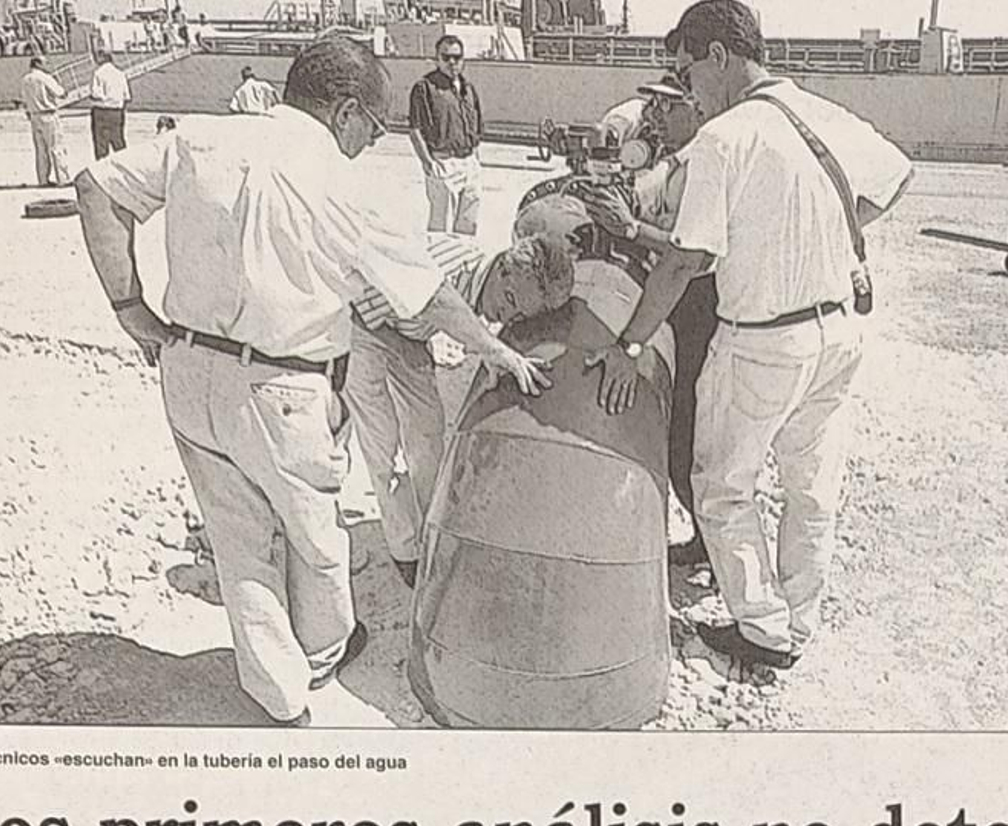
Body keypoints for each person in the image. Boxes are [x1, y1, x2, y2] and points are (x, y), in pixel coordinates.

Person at [72, 36, 552, 727]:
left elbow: (94, 189)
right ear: (347, 110)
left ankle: (277, 696)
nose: (375, 137)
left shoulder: (199, 138)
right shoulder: (343, 181)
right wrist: (496, 351)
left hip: (185, 371)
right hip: (282, 388)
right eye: (375, 124)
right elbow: (428, 296)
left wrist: (130, 309)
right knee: (314, 536)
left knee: (240, 544)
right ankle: (324, 655)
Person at [604, 0, 912, 670]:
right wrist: (833, 234)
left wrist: (629, 344)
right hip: (835, 335)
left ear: (718, 56)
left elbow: (687, 260)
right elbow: (896, 173)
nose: (685, 90)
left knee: (720, 485)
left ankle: (764, 630)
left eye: (686, 75)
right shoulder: (817, 111)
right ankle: (799, 621)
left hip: (765, 340)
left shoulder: (724, 137)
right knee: (810, 488)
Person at [348, 232, 575, 588]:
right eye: (510, 299)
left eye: (519, 312)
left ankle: (435, 533)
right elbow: (356, 311)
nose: (507, 314)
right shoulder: (447, 266)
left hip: (409, 337)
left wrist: (490, 357)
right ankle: (405, 550)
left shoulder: (499, 289)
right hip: (360, 331)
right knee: (383, 449)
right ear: (501, 268)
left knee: (428, 440)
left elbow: (472, 331)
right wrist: (404, 347)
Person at [582, 72, 714, 566]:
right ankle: (707, 541)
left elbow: (697, 258)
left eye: (665, 106)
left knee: (689, 441)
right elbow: (643, 189)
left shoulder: (706, 160)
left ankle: (714, 549)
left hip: (703, 306)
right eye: (652, 106)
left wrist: (633, 229)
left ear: (693, 108)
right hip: (681, 299)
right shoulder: (676, 158)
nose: (654, 115)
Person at [408, 34, 483, 234]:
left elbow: (477, 125)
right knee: (440, 227)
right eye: (446, 57)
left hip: (468, 162)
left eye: (457, 57)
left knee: (468, 223)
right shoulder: (424, 88)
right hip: (443, 163)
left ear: (463, 60)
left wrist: (475, 159)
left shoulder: (468, 89)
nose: (452, 62)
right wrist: (428, 163)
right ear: (437, 59)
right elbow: (415, 129)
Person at [19, 56, 69, 186]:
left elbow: (24, 99)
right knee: (56, 148)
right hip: (49, 114)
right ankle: (62, 179)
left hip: (34, 115)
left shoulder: (25, 79)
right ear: (38, 64)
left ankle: (43, 179)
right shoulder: (45, 77)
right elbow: (61, 93)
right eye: (44, 62)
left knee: (41, 150)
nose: (47, 64)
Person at [88, 50, 129, 159]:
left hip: (101, 110)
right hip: (117, 111)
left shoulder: (98, 73)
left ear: (102, 58)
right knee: (118, 142)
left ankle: (102, 171)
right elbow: (126, 96)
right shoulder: (120, 74)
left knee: (101, 144)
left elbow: (95, 94)